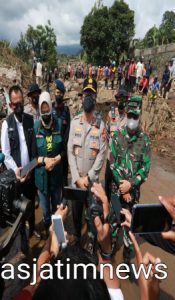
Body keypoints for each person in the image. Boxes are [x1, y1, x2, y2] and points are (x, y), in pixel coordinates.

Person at [109, 99, 151, 264]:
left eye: (135, 116)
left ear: (139, 116)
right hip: (116, 191)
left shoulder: (145, 140)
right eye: (130, 115)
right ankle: (110, 249)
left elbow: (145, 169)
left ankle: (127, 258)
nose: (132, 119)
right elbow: (112, 163)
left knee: (129, 226)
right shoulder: (117, 136)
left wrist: (131, 185)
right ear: (126, 115)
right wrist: (123, 186)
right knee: (114, 221)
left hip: (133, 194)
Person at [68, 78, 107, 242]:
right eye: (86, 94)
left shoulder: (101, 126)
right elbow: (70, 151)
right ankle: (77, 237)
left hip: (92, 183)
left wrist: (88, 178)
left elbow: (102, 154)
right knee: (75, 213)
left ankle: (92, 242)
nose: (88, 97)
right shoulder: (74, 122)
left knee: (93, 214)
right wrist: (77, 178)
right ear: (82, 97)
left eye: (91, 94)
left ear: (95, 97)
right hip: (77, 181)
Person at [1, 85, 39, 239]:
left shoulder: (30, 120)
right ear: (10, 105)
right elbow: (6, 154)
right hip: (17, 176)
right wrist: (18, 171)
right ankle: (23, 236)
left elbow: (34, 150)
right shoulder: (6, 124)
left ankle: (32, 229)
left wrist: (29, 169)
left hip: (30, 173)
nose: (18, 106)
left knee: (30, 203)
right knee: (19, 209)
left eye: (20, 103)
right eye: (15, 104)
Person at [34, 91, 65, 234]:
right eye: (43, 110)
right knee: (45, 212)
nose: (45, 113)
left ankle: (57, 237)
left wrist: (56, 160)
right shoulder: (35, 128)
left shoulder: (59, 124)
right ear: (40, 110)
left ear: (51, 108)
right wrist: (44, 160)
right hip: (42, 180)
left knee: (56, 210)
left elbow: (65, 151)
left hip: (57, 178)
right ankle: (48, 234)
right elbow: (32, 157)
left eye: (47, 110)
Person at [52, 79, 70, 186]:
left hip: (63, 151)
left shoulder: (66, 110)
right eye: (57, 93)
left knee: (63, 180)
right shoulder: (50, 107)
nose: (59, 95)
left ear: (63, 94)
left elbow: (68, 130)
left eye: (61, 93)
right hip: (53, 149)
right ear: (54, 93)